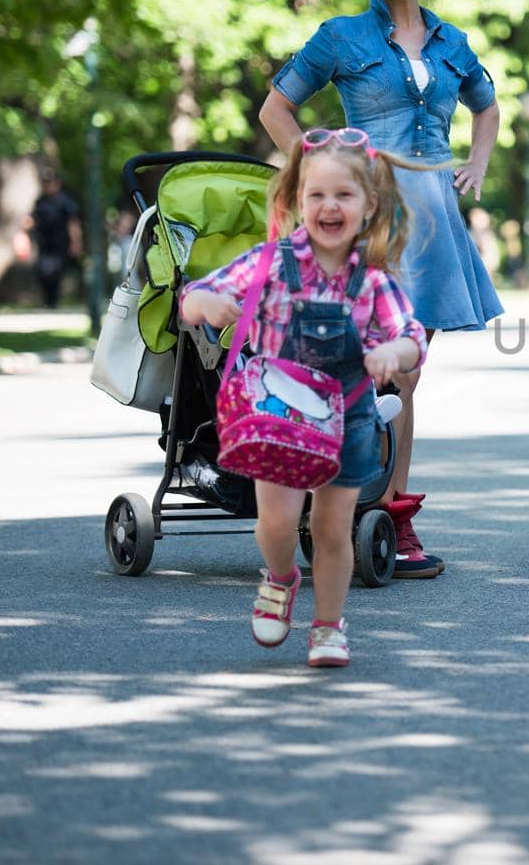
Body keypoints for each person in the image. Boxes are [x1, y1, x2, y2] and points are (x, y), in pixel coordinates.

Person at [258, 0, 502, 578]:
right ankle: (319, 502)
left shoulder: (454, 41)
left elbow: (487, 108)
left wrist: (477, 164)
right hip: (364, 226)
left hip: (433, 228)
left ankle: (392, 516)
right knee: (344, 363)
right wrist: (318, 174)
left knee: (408, 371)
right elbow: (277, 110)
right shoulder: (341, 36)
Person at [180, 128, 428, 668]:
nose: (329, 206)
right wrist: (205, 302)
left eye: (344, 195)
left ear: (368, 205)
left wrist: (395, 353)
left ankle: (328, 627)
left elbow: (412, 336)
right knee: (275, 525)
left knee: (331, 528)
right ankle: (280, 577)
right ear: (297, 200)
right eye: (317, 195)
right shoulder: (271, 262)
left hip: (350, 418)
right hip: (279, 418)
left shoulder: (373, 279)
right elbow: (196, 294)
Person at [26, 171, 82, 308]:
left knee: (55, 272)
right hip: (44, 243)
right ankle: (48, 300)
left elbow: (73, 223)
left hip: (60, 243)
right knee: (42, 272)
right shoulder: (40, 201)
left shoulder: (65, 201)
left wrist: (76, 242)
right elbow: (32, 219)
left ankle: (53, 302)